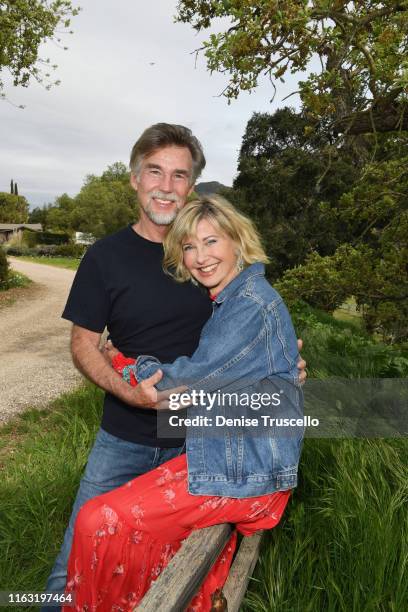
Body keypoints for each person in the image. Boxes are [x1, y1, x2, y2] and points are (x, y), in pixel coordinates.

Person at [44, 124, 307, 605]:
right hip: (125, 434)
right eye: (155, 171)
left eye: (179, 175)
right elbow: (83, 343)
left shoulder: (207, 260)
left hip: (195, 441)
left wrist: (281, 370)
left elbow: (237, 346)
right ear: (134, 178)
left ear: (192, 184)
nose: (166, 185)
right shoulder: (106, 257)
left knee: (156, 558)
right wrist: (126, 386)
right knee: (78, 554)